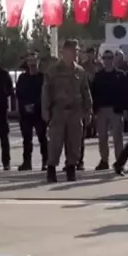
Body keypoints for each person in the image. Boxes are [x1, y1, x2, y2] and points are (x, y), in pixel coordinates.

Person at [42, 39, 93, 183]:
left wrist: (88, 110)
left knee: (74, 142)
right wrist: (45, 110)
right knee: (55, 143)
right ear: (65, 52)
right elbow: (46, 91)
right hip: (58, 111)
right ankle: (51, 169)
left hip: (75, 112)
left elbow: (85, 91)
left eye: (77, 51)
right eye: (73, 50)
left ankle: (71, 168)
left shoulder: (80, 71)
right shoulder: (53, 71)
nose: (76, 53)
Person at [92, 49, 125, 170]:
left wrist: (124, 108)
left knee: (118, 137)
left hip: (116, 110)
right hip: (101, 110)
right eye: (105, 58)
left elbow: (125, 93)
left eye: (110, 57)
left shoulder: (120, 75)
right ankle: (104, 160)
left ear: (114, 59)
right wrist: (94, 110)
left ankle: (119, 162)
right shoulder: (98, 76)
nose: (108, 60)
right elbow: (93, 93)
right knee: (102, 138)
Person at [16, 51, 48, 171]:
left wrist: (36, 106)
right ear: (27, 63)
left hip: (39, 113)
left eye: (34, 60)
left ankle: (46, 161)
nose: (32, 63)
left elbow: (45, 95)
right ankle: (26, 162)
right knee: (27, 139)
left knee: (42, 138)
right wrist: (25, 106)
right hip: (26, 114)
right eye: (30, 60)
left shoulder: (43, 77)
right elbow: (19, 94)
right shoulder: (22, 78)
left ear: (38, 61)